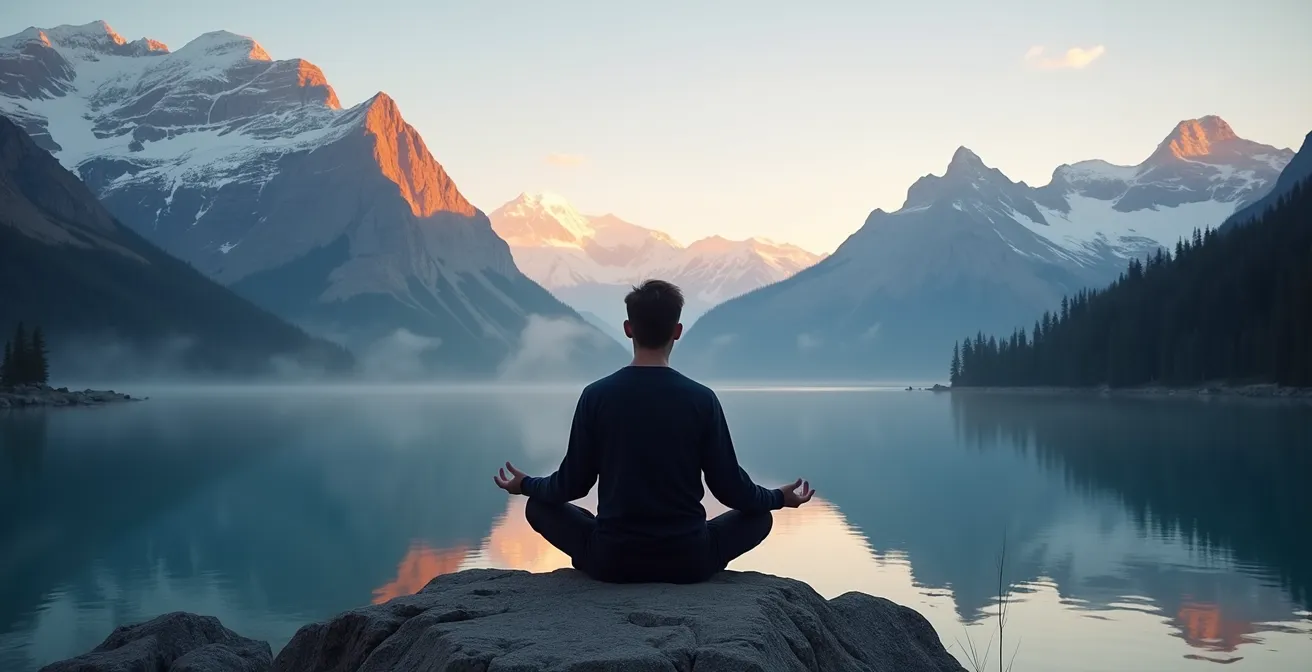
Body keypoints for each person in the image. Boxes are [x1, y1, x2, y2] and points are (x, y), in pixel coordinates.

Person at [492, 279, 814, 583]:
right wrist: (776, 498)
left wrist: (526, 485)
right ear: (677, 332)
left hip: (612, 561)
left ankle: (602, 544)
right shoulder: (702, 400)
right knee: (760, 517)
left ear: (628, 329)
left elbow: (572, 485)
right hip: (689, 561)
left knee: (538, 506)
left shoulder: (596, 396)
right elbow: (731, 489)